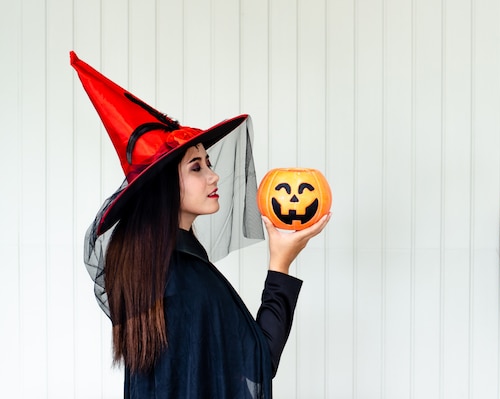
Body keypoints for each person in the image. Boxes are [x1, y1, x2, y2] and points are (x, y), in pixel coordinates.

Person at [71, 51, 330, 398]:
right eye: (197, 167)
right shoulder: (187, 280)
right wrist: (280, 264)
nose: (213, 176)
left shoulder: (148, 272)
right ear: (163, 186)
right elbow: (258, 361)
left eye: (208, 162)